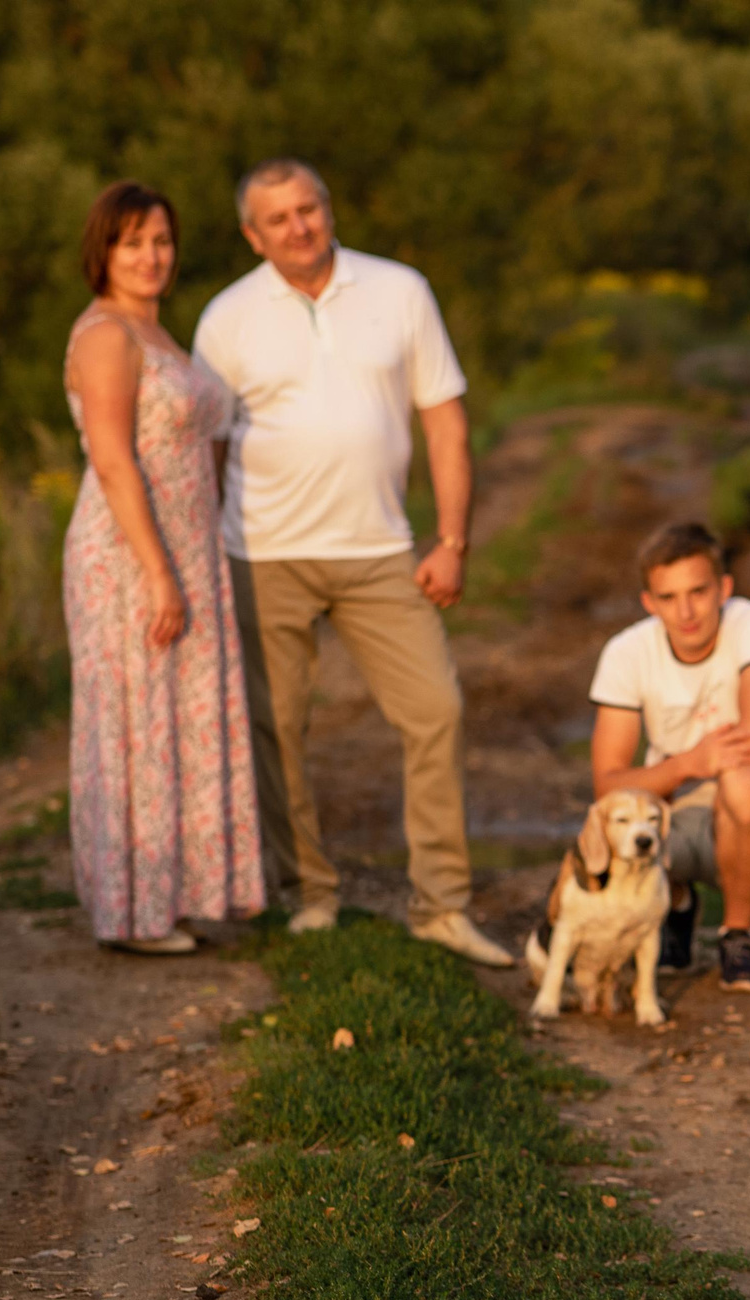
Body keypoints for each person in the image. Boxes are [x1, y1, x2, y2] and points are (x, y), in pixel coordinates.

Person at [192, 158, 512, 967]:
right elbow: (211, 450)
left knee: (435, 710)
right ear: (251, 235)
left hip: (381, 552)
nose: (300, 227)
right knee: (279, 727)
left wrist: (451, 539)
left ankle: (441, 905)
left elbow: (445, 421)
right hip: (264, 555)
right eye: (279, 218)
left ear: (329, 208)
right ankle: (309, 894)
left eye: (310, 208)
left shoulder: (400, 289)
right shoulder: (226, 318)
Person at [60, 181, 268, 954]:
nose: (150, 256)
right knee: (137, 722)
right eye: (131, 242)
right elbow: (113, 459)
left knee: (179, 721)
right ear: (103, 252)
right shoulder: (105, 334)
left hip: (187, 547)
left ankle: (172, 896)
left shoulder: (159, 334)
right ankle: (133, 909)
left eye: (161, 240)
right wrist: (156, 571)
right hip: (128, 554)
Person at [585, 521, 750, 993]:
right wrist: (687, 764)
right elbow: (606, 785)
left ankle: (737, 935)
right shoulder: (625, 651)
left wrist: (682, 767)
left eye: (698, 592)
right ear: (648, 602)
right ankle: (676, 907)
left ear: (724, 588)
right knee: (616, 817)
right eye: (668, 597)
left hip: (749, 812)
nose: (686, 612)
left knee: (744, 779)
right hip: (675, 803)